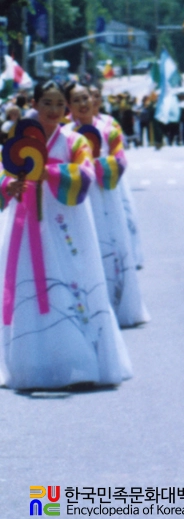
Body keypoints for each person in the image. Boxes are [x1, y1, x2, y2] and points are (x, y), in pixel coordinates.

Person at [0, 80, 133, 390]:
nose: (54, 110)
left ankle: (81, 360)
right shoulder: (18, 138)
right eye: (47, 103)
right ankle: (31, 364)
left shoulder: (74, 141)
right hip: (25, 223)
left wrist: (48, 172)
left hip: (67, 224)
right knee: (28, 287)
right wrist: (10, 186)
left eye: (60, 104)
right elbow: (4, 172)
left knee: (71, 282)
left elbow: (87, 173)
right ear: (34, 104)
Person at [66, 82, 148, 328]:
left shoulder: (108, 128)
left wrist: (95, 167)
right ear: (69, 106)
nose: (83, 104)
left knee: (112, 246)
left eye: (86, 98)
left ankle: (119, 305)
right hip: (80, 200)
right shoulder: (67, 134)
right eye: (77, 100)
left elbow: (120, 161)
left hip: (105, 195)